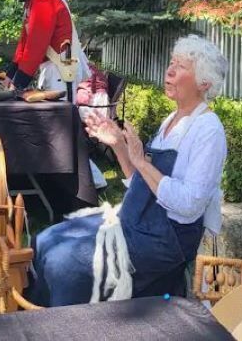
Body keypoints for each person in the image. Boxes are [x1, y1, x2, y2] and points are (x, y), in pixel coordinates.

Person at [27, 35, 228, 306]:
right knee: (46, 239)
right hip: (137, 220)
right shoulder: (173, 119)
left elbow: (189, 205)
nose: (169, 70)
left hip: (164, 240)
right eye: (171, 62)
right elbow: (142, 184)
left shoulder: (208, 130)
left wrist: (142, 161)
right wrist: (119, 146)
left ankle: (66, 328)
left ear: (205, 83)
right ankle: (30, 321)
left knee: (62, 263)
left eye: (180, 67)